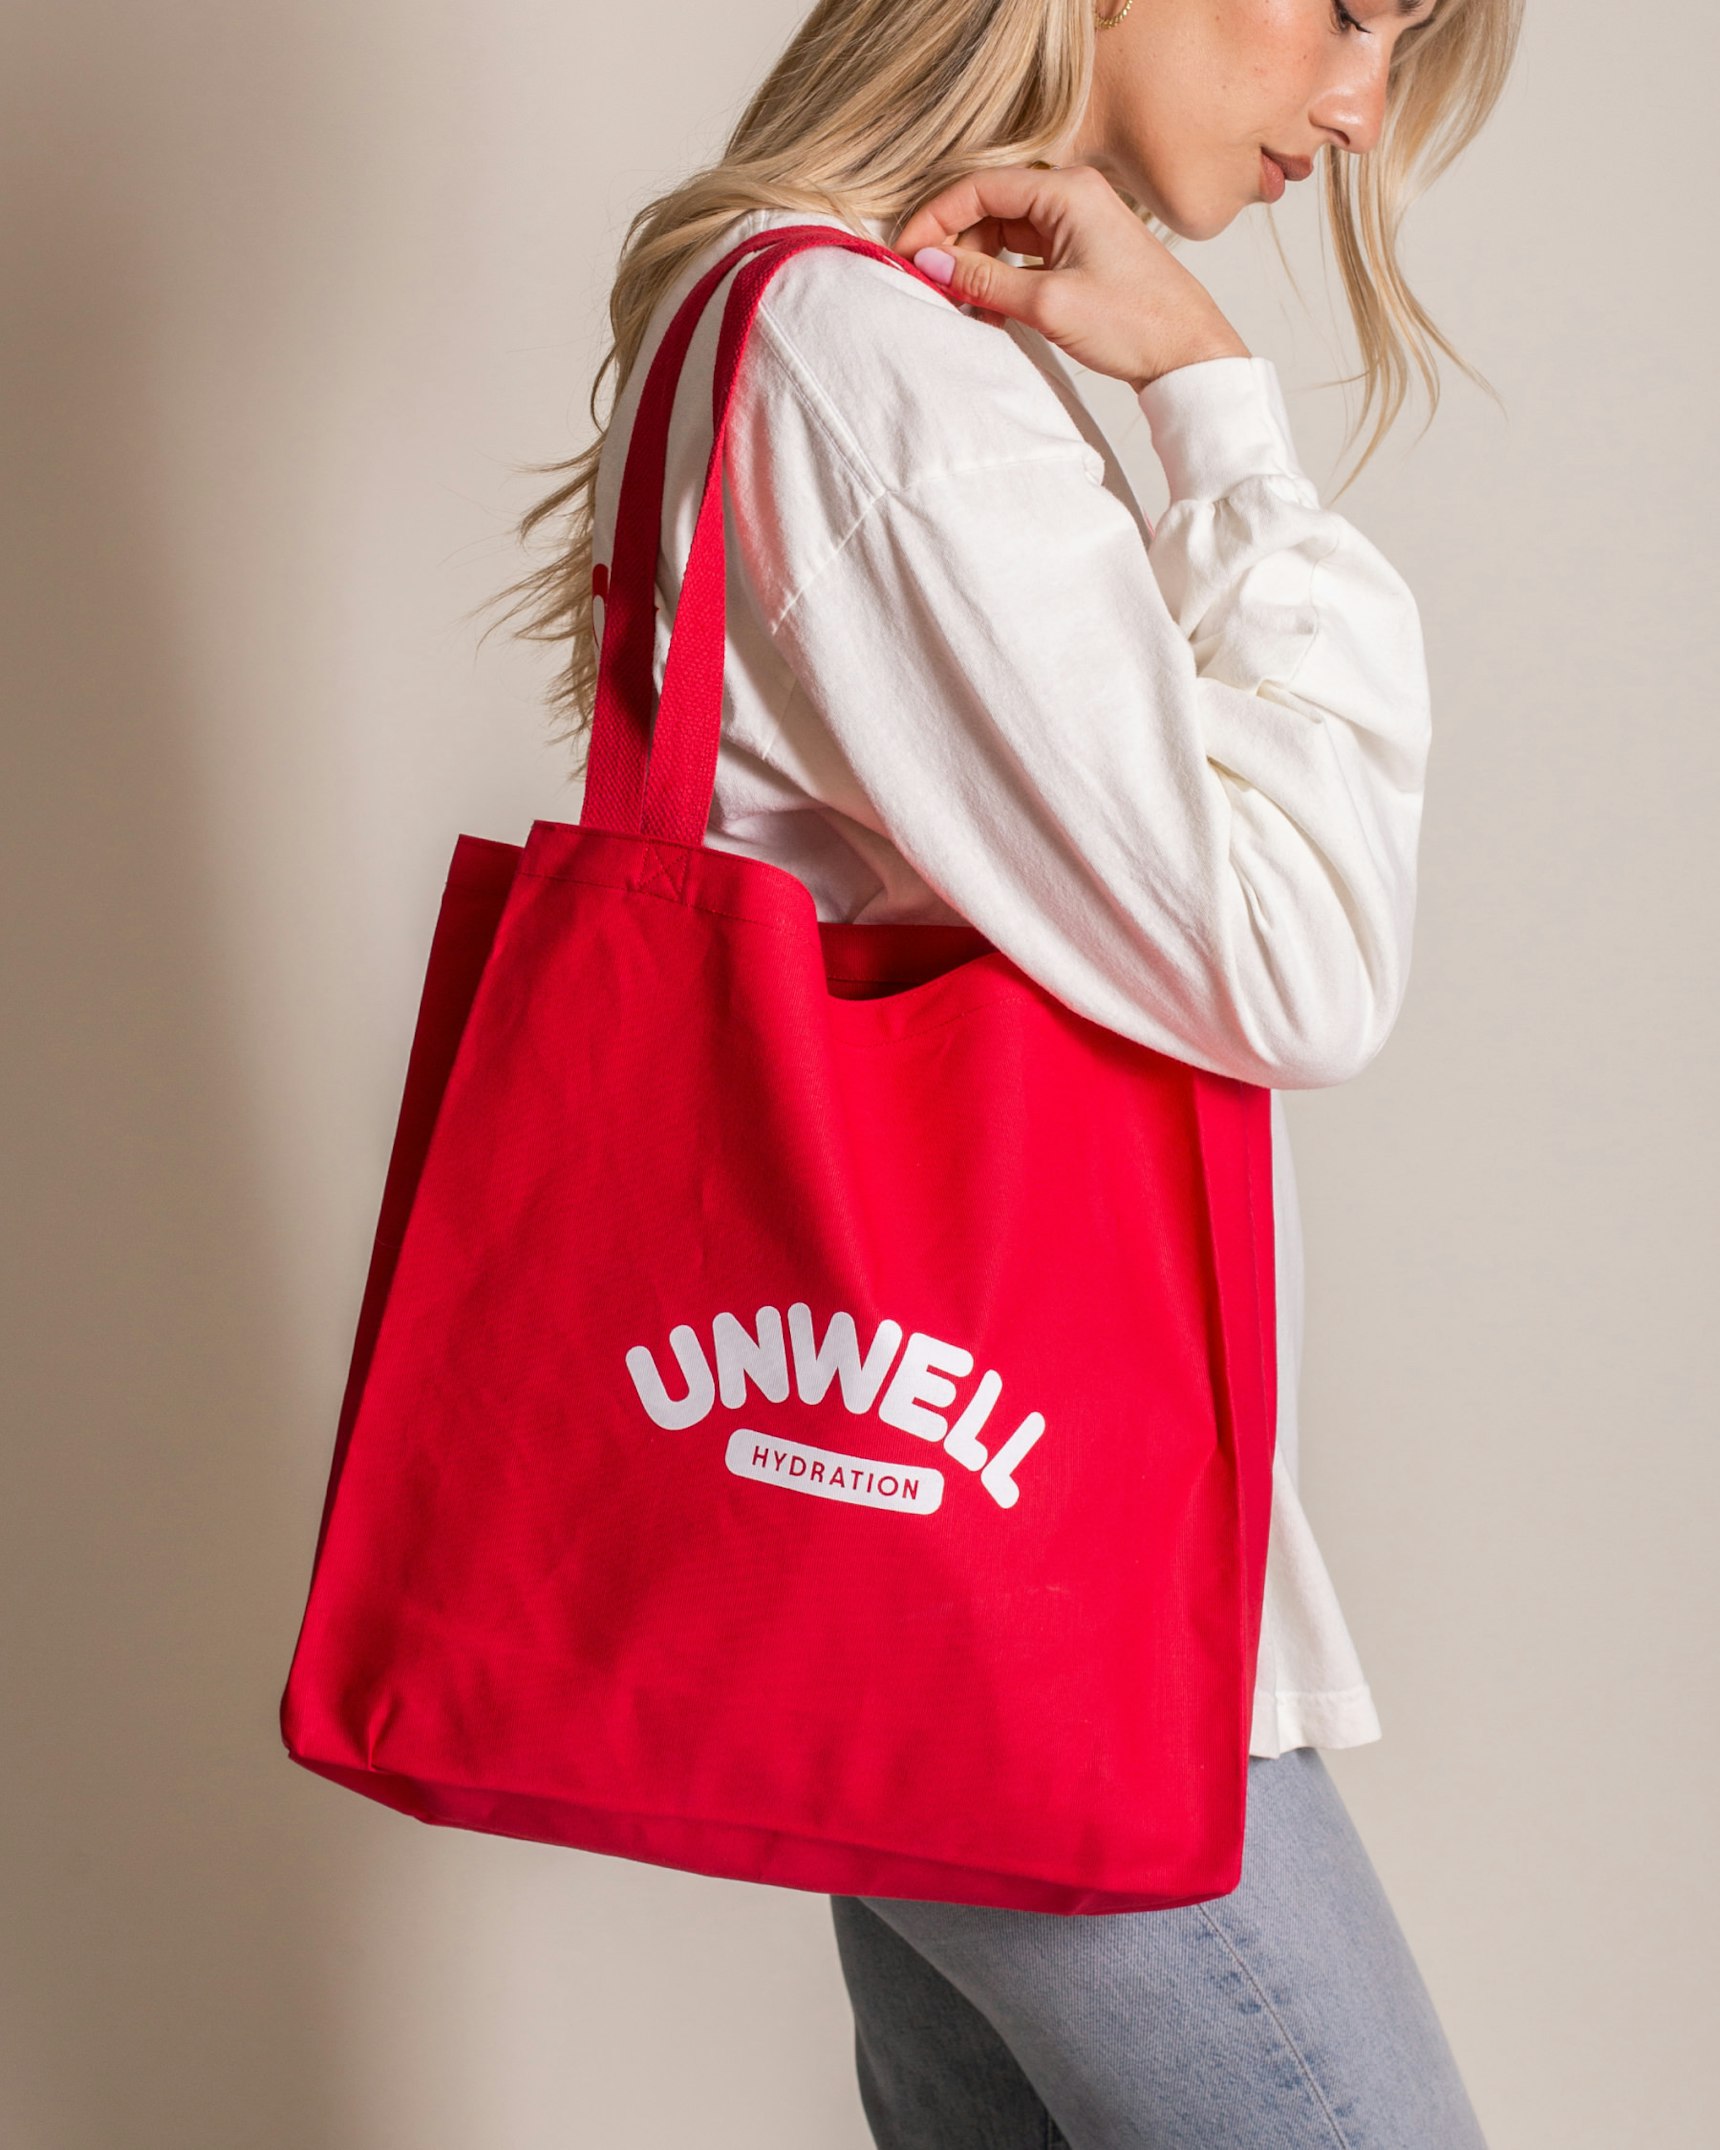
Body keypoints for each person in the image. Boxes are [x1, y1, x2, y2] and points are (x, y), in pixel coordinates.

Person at [497, 1, 1522, 2141]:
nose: (1357, 107)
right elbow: (1296, 961)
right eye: (1346, 10)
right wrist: (1211, 405)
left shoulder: (800, 322)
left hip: (908, 1501)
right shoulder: (879, 373)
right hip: (1013, 1562)